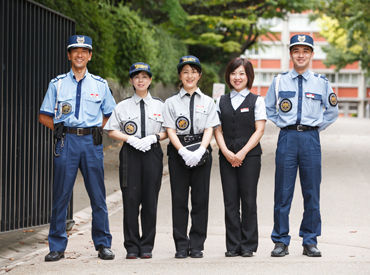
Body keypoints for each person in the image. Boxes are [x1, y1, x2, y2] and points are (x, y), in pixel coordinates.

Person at [39, 35, 116, 261]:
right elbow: (43, 115)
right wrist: (59, 129)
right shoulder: (58, 83)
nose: (80, 54)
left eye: (84, 51)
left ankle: (103, 244)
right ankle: (56, 246)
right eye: (75, 50)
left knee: (98, 195)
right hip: (67, 142)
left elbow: (110, 114)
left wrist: (95, 128)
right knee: (61, 194)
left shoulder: (100, 85)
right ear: (69, 55)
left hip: (91, 143)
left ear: (90, 56)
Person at [265, 34, 339, 257]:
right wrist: (283, 124)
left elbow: (332, 110)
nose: (300, 55)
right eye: (296, 51)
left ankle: (310, 240)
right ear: (290, 54)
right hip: (287, 139)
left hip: (310, 140)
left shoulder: (322, 83)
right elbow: (270, 109)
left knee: (311, 192)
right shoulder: (279, 81)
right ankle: (280, 241)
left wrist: (316, 127)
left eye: (305, 51)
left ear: (311, 54)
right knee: (283, 192)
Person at [104, 62, 166, 259]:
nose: (141, 80)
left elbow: (168, 130)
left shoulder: (160, 105)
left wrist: (154, 138)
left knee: (150, 200)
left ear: (150, 80)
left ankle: (147, 245)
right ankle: (131, 246)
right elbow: (111, 129)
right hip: (130, 153)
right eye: (136, 77)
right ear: (131, 80)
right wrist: (129, 138)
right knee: (130, 200)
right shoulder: (122, 106)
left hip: (152, 153)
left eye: (144, 77)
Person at [163, 55, 220, 259]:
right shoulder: (170, 102)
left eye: (193, 72)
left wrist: (201, 150)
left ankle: (197, 244)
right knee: (178, 200)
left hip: (201, 153)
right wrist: (183, 151)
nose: (190, 76)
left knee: (200, 200)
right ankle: (180, 244)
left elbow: (209, 128)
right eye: (185, 72)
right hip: (179, 152)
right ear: (180, 75)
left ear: (199, 75)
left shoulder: (208, 102)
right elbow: (169, 129)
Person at [214, 57, 266, 257]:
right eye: (234, 73)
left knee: (249, 200)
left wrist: (242, 152)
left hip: (250, 157)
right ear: (228, 76)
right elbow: (217, 129)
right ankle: (233, 245)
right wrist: (226, 152)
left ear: (248, 76)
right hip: (226, 156)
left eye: (241, 73)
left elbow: (259, 130)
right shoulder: (221, 101)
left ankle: (248, 245)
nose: (237, 77)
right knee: (230, 202)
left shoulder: (257, 101)